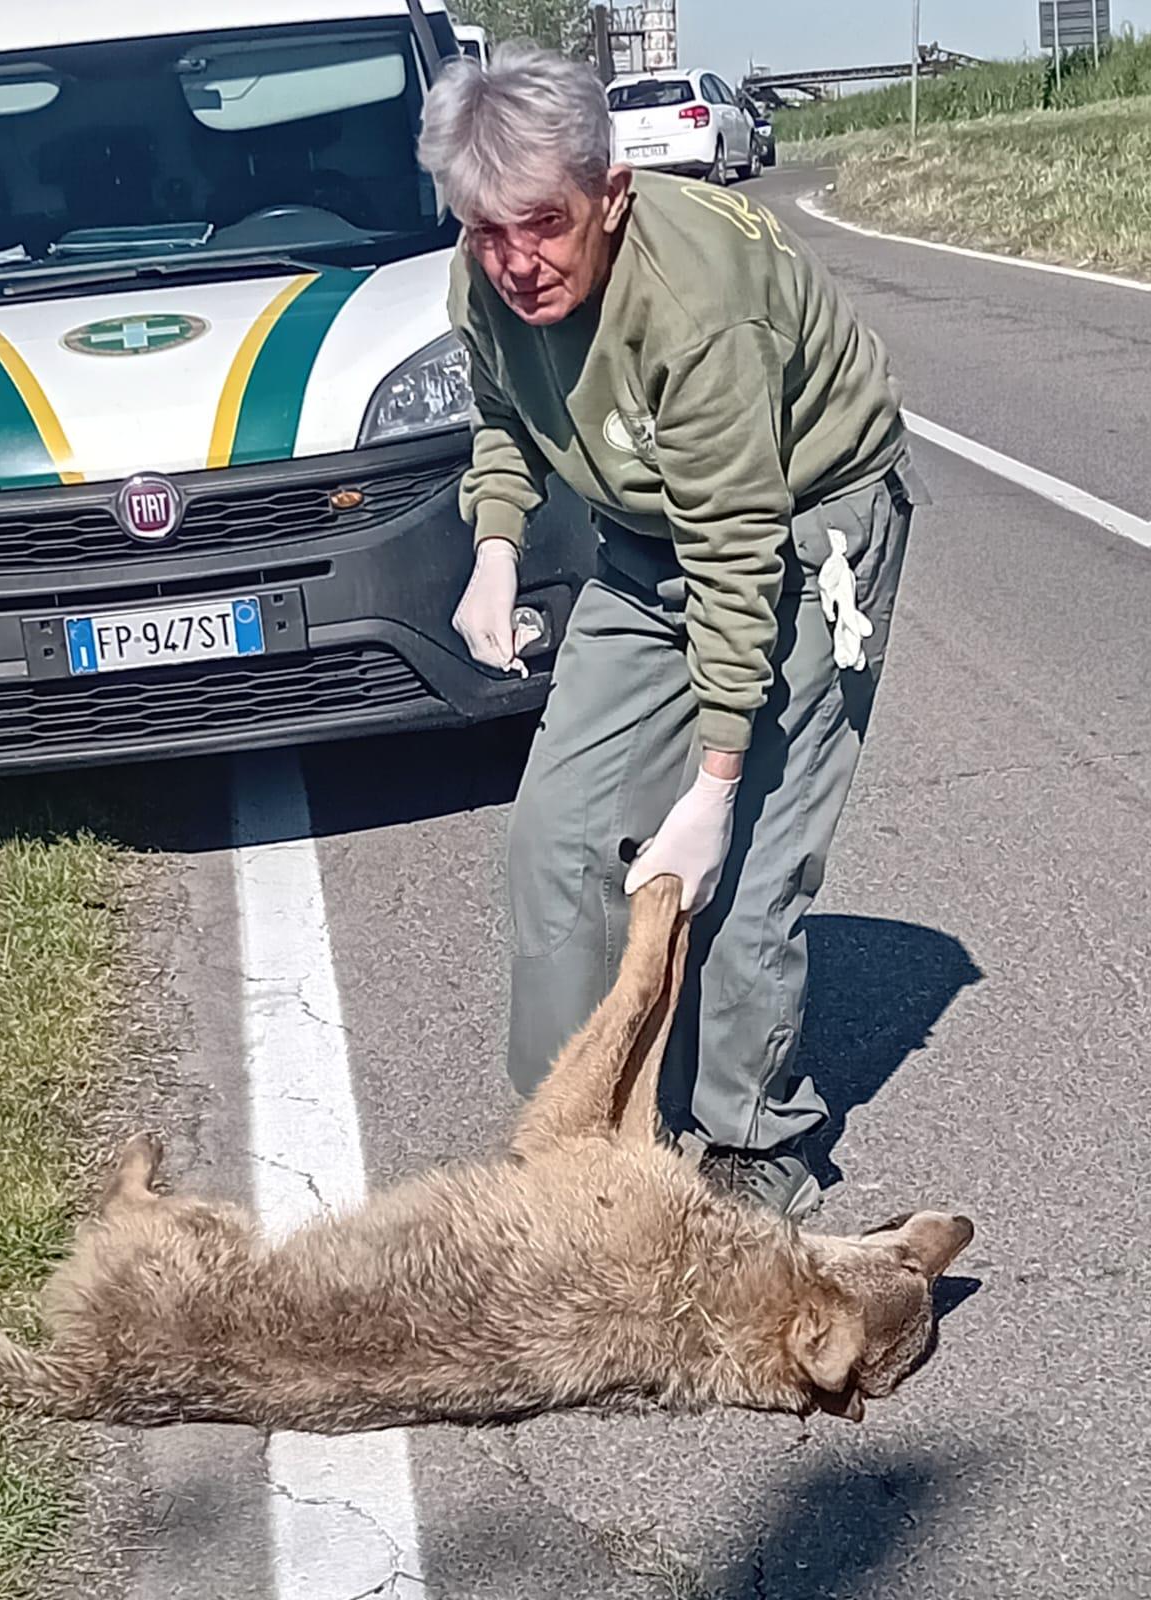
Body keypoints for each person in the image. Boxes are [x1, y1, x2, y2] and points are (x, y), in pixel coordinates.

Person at [417, 44, 928, 1217]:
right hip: (645, 539)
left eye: (541, 225)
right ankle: (570, 1140)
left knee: (744, 868)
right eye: (485, 229)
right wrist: (496, 546)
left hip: (804, 531)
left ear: (611, 192)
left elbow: (741, 552)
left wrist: (709, 786)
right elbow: (501, 414)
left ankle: (753, 1143)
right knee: (558, 837)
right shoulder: (484, 269)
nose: (513, 261)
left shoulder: (694, 304)